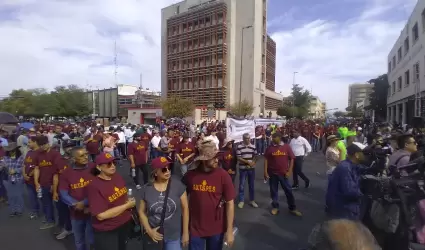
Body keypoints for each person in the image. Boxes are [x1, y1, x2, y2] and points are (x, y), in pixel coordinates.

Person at [183, 140, 236, 250]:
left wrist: (229, 231)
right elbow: (180, 199)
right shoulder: (190, 176)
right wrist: (184, 231)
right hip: (195, 229)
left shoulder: (223, 175)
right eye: (213, 157)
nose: (217, 160)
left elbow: (230, 203)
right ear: (203, 160)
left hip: (217, 229)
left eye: (217, 156)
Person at [86, 152, 136, 250]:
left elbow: (121, 196)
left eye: (114, 163)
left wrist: (128, 201)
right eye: (109, 164)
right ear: (99, 168)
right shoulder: (94, 186)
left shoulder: (117, 177)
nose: (113, 166)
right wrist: (126, 206)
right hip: (108, 229)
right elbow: (101, 216)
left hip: (124, 223)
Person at [138, 157, 189, 249]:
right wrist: (149, 231)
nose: (168, 171)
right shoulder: (146, 189)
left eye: (169, 168)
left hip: (173, 236)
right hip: (154, 234)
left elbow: (185, 209)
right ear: (155, 173)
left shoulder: (178, 186)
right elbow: (141, 212)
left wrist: (185, 233)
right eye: (164, 169)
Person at [59, 146, 95, 250]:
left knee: (92, 240)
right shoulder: (66, 173)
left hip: (92, 211)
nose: (86, 157)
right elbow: (64, 194)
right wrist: (76, 205)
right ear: (73, 159)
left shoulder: (93, 168)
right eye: (82, 156)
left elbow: (101, 185)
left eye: (86, 154)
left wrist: (85, 203)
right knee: (79, 240)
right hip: (76, 213)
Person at [264, 133, 302, 216]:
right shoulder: (270, 148)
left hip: (284, 174)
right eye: (272, 138)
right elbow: (266, 159)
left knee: (288, 191)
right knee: (274, 191)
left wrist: (290, 171)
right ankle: (275, 207)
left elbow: (292, 158)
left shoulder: (286, 147)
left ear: (279, 138)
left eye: (275, 137)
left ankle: (292, 208)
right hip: (273, 174)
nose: (273, 139)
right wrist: (265, 172)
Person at [326, 144, 364, 220]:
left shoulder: (349, 165)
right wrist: (363, 191)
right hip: (344, 211)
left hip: (344, 209)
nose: (365, 156)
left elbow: (359, 169)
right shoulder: (345, 168)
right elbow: (350, 191)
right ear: (356, 155)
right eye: (363, 153)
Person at [33, 135, 62, 230]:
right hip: (43, 183)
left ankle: (61, 224)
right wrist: (36, 182)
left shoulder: (55, 154)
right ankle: (50, 220)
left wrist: (54, 185)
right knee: (46, 203)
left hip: (55, 183)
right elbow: (37, 168)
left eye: (44, 144)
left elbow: (57, 172)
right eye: (40, 145)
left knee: (58, 205)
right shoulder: (38, 154)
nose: (42, 146)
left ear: (48, 143)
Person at [1, 142, 25, 217]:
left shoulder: (21, 157)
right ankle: (12, 210)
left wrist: (16, 170)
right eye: (10, 151)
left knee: (18, 195)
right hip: (8, 179)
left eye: (13, 150)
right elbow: (1, 166)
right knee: (11, 196)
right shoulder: (5, 158)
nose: (11, 152)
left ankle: (19, 210)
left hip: (18, 178)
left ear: (16, 150)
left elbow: (24, 168)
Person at [236, 133, 258, 208]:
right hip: (243, 169)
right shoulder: (239, 147)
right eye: (246, 138)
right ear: (243, 139)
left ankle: (252, 200)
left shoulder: (253, 146)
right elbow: (238, 157)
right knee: (241, 185)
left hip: (251, 169)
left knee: (251, 185)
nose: (247, 139)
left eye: (248, 138)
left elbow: (256, 156)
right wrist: (248, 162)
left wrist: (253, 163)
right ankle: (241, 201)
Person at [23, 136, 40, 219]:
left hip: (36, 179)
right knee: (31, 197)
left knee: (41, 197)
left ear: (35, 142)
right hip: (27, 179)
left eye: (30, 142)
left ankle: (46, 215)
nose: (28, 144)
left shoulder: (40, 152)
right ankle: (34, 211)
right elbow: (24, 164)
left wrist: (30, 175)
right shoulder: (29, 152)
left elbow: (38, 166)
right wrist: (24, 175)